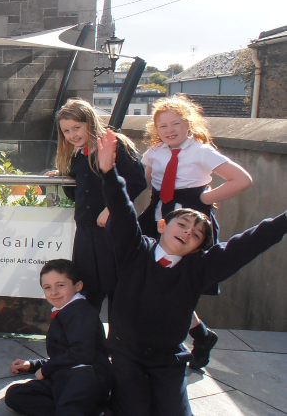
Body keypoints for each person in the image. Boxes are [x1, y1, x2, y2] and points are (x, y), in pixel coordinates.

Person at [97, 128, 286, 416]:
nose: (188, 232)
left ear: (199, 248)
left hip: (168, 358)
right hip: (126, 353)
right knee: (135, 409)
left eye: (196, 234)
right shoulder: (134, 250)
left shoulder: (200, 268)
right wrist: (109, 172)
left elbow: (250, 242)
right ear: (162, 225)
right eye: (182, 224)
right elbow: (122, 212)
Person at [138, 95, 253, 369]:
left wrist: (204, 198)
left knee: (178, 286)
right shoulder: (154, 152)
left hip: (190, 224)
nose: (169, 130)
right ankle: (198, 335)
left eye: (175, 123)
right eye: (163, 125)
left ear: (188, 125)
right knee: (152, 283)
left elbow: (242, 179)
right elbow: (137, 184)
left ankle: (186, 339)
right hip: (157, 220)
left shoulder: (201, 151)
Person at [46, 99, 146, 312]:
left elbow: (137, 181)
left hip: (113, 231)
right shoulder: (78, 157)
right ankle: (88, 339)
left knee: (117, 291)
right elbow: (80, 195)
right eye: (66, 131)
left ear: (90, 123)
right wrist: (63, 176)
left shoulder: (116, 145)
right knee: (87, 288)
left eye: (77, 127)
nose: (72, 135)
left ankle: (117, 342)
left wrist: (111, 209)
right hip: (86, 232)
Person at [4, 259, 112, 416]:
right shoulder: (64, 311)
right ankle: (91, 412)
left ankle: (76, 409)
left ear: (78, 286)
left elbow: (82, 353)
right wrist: (34, 364)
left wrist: (46, 369)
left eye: (60, 285)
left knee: (70, 402)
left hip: (86, 377)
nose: (54, 291)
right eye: (47, 287)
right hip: (63, 378)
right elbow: (63, 353)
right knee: (15, 394)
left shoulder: (81, 311)